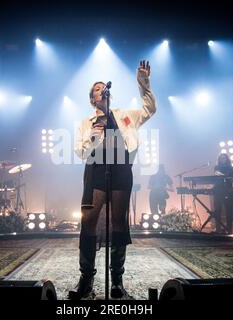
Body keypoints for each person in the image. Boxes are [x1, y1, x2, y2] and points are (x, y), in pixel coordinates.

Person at [70, 60, 156, 299]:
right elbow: (80, 151)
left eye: (103, 88)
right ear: (92, 99)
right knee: (88, 222)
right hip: (95, 170)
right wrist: (94, 138)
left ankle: (117, 281)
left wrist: (144, 82)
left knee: (119, 222)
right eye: (97, 89)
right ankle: (86, 279)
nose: (101, 90)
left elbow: (149, 109)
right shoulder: (84, 124)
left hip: (121, 169)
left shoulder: (125, 116)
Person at [213, 153, 233, 233]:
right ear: (219, 159)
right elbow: (216, 176)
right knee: (217, 211)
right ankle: (218, 229)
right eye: (221, 158)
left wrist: (228, 178)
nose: (223, 159)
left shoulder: (231, 168)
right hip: (218, 191)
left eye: (224, 158)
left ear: (227, 159)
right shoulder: (216, 167)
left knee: (229, 211)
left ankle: (229, 229)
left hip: (228, 191)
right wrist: (225, 177)